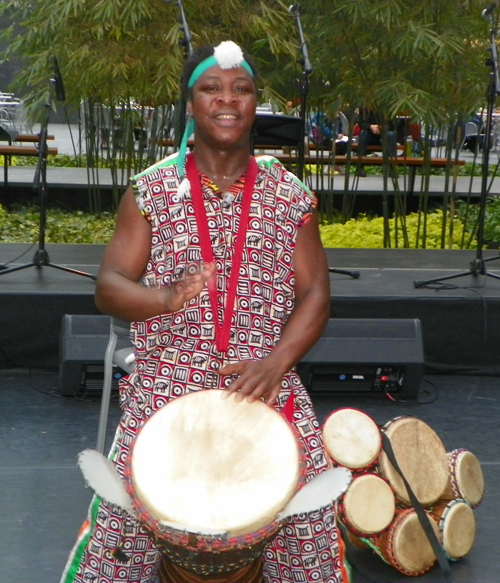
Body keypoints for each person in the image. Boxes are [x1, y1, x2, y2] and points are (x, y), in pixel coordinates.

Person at [61, 41, 349, 583]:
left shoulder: (290, 195)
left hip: (266, 383)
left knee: (310, 521)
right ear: (190, 105)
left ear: (254, 104)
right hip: (167, 383)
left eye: (242, 89)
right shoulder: (151, 190)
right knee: (119, 532)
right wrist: (166, 297)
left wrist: (277, 363)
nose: (227, 99)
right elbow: (108, 286)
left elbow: (317, 296)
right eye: (210, 88)